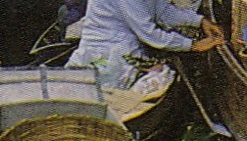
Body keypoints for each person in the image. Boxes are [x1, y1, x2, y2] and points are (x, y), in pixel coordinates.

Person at [66, 0, 224, 89]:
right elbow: (149, 33)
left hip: (125, 44)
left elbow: (161, 11)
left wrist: (199, 21)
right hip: (107, 48)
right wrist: (192, 45)